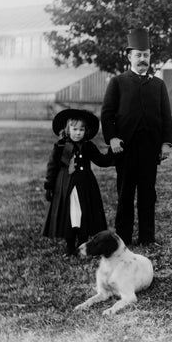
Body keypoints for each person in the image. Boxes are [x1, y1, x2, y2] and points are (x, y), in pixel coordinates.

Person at [101, 28, 172, 246]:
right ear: (129, 56)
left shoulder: (158, 85)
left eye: (146, 55)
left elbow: (165, 117)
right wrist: (112, 138)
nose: (143, 59)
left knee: (147, 194)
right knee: (125, 195)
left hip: (150, 149)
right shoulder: (118, 82)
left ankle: (147, 238)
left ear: (150, 56)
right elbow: (107, 114)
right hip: (125, 149)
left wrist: (166, 143)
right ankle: (122, 238)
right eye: (138, 55)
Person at [43, 108, 112, 256]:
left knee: (83, 213)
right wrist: (49, 186)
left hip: (85, 186)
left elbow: (101, 160)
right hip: (65, 186)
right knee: (70, 214)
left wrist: (113, 152)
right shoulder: (60, 147)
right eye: (74, 129)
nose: (78, 132)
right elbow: (52, 167)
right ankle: (69, 246)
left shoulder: (88, 146)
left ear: (86, 131)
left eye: (81, 129)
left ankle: (82, 245)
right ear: (67, 129)